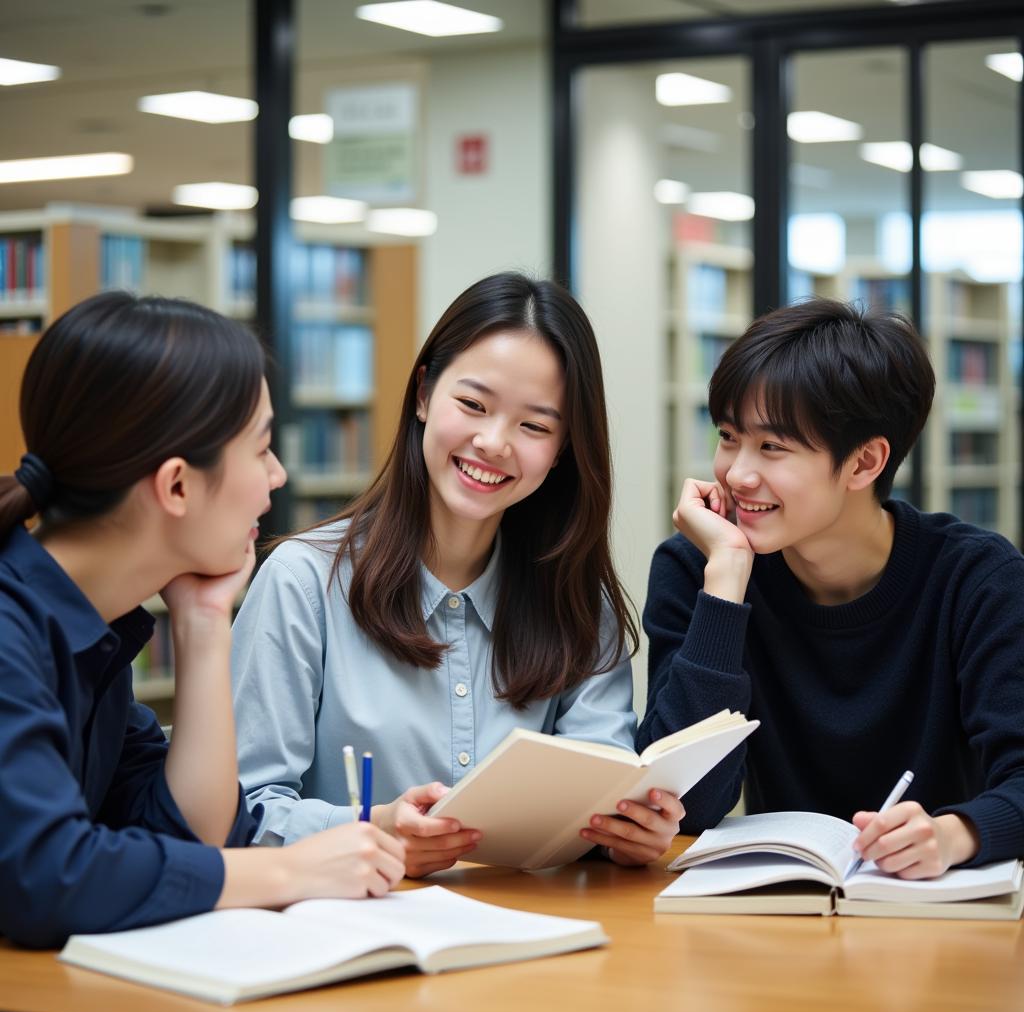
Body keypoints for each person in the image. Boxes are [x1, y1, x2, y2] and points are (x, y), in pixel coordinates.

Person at [232, 272, 683, 875]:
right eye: (472, 405)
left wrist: (624, 830)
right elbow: (244, 813)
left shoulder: (576, 600)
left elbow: (598, 780)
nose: (493, 442)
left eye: (535, 426)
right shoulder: (302, 581)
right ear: (423, 394)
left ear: (564, 447)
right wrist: (374, 828)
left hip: (532, 940)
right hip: (354, 936)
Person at [0, 292, 405, 949]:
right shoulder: (11, 629)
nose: (277, 477)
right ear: (178, 486)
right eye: (262, 448)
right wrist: (286, 869)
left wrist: (205, 624)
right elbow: (47, 877)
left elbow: (187, 832)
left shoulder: (93, 631)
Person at [638, 297, 1024, 879]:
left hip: (933, 913)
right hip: (777, 912)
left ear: (864, 462)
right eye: (727, 436)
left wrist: (953, 834)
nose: (738, 473)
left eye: (772, 447)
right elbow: (683, 805)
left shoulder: (976, 580)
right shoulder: (699, 568)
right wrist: (725, 586)